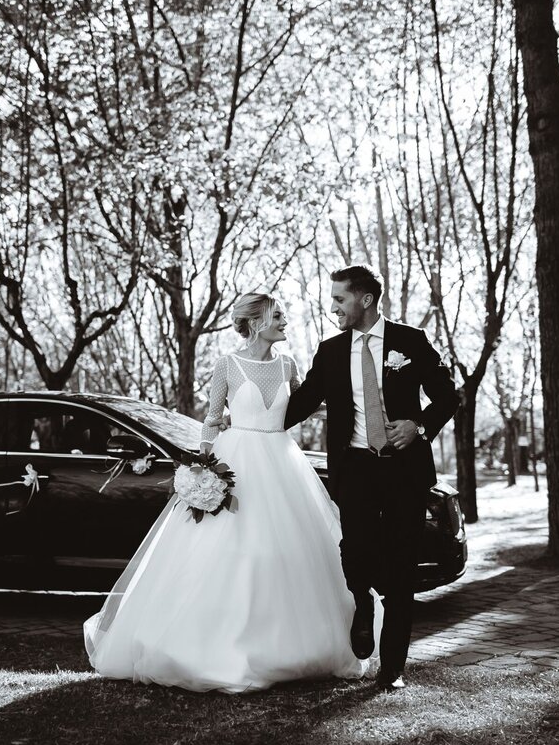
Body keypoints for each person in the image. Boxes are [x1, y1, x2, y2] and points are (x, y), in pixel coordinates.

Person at [83, 293, 371, 693]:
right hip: (237, 461)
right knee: (230, 551)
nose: (285, 321)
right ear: (255, 323)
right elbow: (212, 420)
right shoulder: (228, 365)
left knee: (289, 551)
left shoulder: (288, 364)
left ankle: (293, 645)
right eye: (278, 315)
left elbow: (306, 404)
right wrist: (201, 470)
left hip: (283, 461)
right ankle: (216, 648)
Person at [284, 265, 459, 691]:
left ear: (364, 299)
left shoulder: (409, 342)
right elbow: (303, 401)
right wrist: (247, 423)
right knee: (356, 549)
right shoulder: (329, 351)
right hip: (356, 468)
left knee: (401, 566)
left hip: (404, 470)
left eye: (339, 299)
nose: (333, 308)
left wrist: (417, 426)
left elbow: (447, 395)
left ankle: (393, 668)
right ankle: (362, 602)